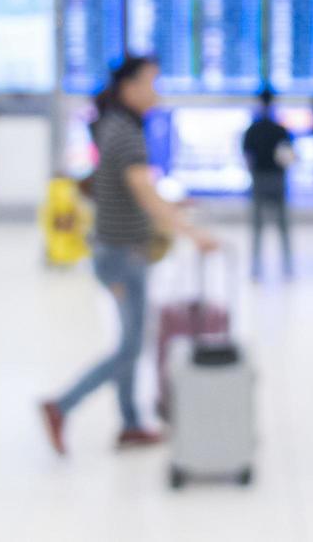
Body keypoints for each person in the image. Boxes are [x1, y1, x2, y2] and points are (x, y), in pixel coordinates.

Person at [40, 56, 217, 456]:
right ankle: (61, 406)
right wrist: (191, 232)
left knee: (130, 340)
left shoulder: (116, 127)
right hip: (121, 256)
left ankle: (131, 424)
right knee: (130, 347)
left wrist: (172, 204)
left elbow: (135, 191)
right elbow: (144, 194)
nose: (157, 91)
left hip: (120, 251)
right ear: (128, 88)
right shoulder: (125, 133)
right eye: (151, 82)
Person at [242, 88, 294, 280]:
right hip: (277, 179)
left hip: (259, 178)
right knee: (283, 225)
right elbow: (288, 156)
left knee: (258, 226)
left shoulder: (253, 130)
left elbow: (247, 157)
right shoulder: (280, 130)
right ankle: (288, 265)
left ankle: (256, 267)